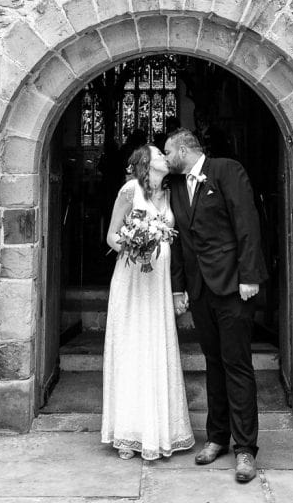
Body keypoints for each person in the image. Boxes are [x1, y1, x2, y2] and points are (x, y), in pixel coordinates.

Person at [165, 128, 267, 484]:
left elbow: (247, 224)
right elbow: (177, 242)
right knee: (213, 363)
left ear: (183, 149)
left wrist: (250, 276)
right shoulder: (175, 186)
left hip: (233, 286)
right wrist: (179, 288)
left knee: (237, 364)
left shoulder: (226, 170)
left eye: (168, 151)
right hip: (199, 290)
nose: (165, 158)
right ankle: (217, 437)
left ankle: (245, 450)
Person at [101, 144, 195, 461]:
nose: (164, 158)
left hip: (159, 282)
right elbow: (111, 235)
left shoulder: (170, 194)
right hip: (132, 282)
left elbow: (174, 236)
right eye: (158, 155)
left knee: (156, 348)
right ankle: (128, 433)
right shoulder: (130, 191)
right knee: (132, 348)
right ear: (146, 163)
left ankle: (160, 429)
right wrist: (131, 245)